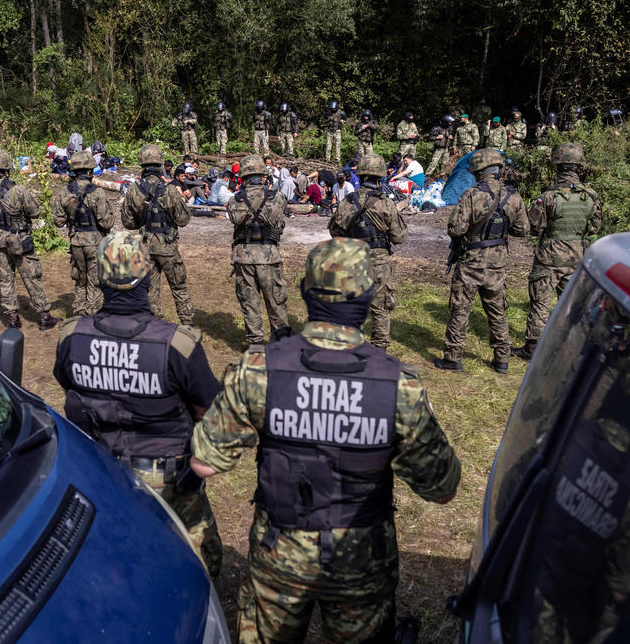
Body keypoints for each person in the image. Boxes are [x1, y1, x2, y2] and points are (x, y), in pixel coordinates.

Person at [190, 237, 461, 644]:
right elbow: (442, 488)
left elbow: (205, 463)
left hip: (279, 549)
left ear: (305, 293)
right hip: (361, 559)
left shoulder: (259, 369)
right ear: (368, 300)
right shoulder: (398, 384)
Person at [53, 231, 223, 576]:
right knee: (201, 565)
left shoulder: (71, 336)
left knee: (120, 559)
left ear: (100, 278)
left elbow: (69, 387)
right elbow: (211, 412)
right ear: (147, 275)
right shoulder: (178, 344)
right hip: (169, 478)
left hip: (102, 470)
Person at [435, 148, 529, 373]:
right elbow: (523, 229)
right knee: (498, 311)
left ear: (477, 170)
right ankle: (502, 360)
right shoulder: (512, 196)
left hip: (471, 261)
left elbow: (456, 229)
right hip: (497, 263)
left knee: (460, 310)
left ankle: (453, 358)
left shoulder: (471, 195)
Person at [512, 143, 601, 360]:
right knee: (572, 302)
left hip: (550, 256)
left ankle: (533, 347)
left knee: (541, 302)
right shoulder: (590, 196)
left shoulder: (549, 197)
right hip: (577, 255)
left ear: (557, 167)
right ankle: (573, 345)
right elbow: (595, 227)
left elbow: (534, 226)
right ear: (579, 167)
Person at [0, 149, 58, 331]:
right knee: (31, 277)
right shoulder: (18, 190)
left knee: (5, 280)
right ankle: (44, 317)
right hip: (21, 239)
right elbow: (35, 212)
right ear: (7, 169)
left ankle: (12, 319)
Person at [328, 154, 407, 349]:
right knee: (379, 304)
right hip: (378, 259)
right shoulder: (386, 203)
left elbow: (334, 231)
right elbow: (399, 237)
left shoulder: (348, 201)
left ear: (360, 175)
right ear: (380, 177)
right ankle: (379, 347)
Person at [122, 144, 195, 325]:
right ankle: (187, 325)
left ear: (142, 165)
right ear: (160, 164)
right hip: (168, 247)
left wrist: (142, 218)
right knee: (179, 287)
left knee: (149, 289)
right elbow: (183, 220)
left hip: (146, 246)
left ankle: (155, 325)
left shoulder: (133, 189)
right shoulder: (170, 189)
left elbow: (128, 222)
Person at [228, 154, 288, 345]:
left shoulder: (235, 200)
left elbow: (234, 221)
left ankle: (255, 342)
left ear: (243, 177)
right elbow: (279, 223)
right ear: (263, 175)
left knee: (249, 301)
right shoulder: (277, 198)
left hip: (244, 257)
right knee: (276, 302)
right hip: (269, 255)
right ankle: (281, 343)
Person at [52, 150, 115, 317]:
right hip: (95, 243)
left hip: (76, 242)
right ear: (89, 171)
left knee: (80, 281)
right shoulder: (97, 192)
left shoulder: (65, 192)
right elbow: (106, 222)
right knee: (94, 282)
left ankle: (78, 315)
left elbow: (58, 221)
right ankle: (91, 316)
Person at [323, 99, 346, 163]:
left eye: (334, 108)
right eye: (332, 108)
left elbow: (345, 120)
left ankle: (337, 160)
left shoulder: (341, 113)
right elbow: (325, 120)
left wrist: (342, 122)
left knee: (337, 146)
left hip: (337, 131)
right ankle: (327, 160)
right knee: (328, 146)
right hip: (329, 131)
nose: (333, 109)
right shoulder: (328, 113)